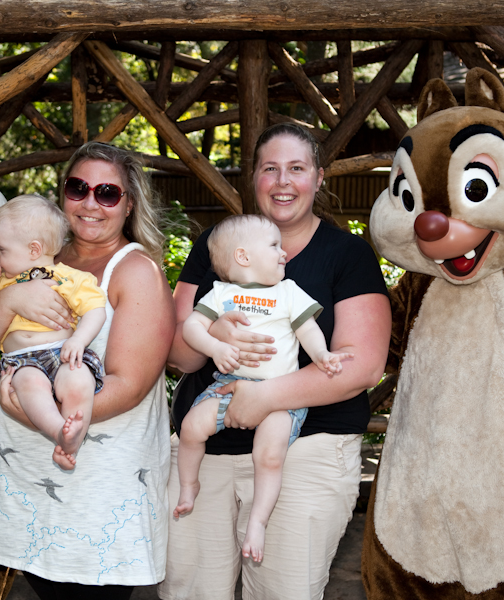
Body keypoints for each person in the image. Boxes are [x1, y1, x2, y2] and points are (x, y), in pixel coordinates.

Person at [160, 123, 391, 600]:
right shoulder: (216, 247)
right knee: (189, 592)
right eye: (270, 168)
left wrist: (262, 397)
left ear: (319, 178)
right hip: (207, 448)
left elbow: (364, 365)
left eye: (297, 169)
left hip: (305, 447)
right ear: (254, 178)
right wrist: (213, 334)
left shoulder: (347, 254)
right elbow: (180, 355)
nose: (283, 181)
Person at [0, 142, 175, 600]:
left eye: (107, 193)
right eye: (78, 188)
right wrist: (9, 299)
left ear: (129, 203)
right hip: (22, 476)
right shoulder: (29, 262)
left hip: (94, 488)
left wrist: (41, 418)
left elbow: (129, 387)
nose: (90, 203)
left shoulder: (136, 271)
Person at [175, 214, 352, 563]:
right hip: (227, 386)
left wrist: (322, 355)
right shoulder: (221, 293)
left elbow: (308, 331)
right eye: (273, 246)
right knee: (191, 428)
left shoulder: (288, 292)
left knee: (269, 456)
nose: (283, 252)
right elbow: (191, 328)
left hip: (279, 394)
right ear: (243, 257)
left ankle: (258, 521)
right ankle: (188, 485)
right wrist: (216, 347)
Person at [0, 194, 107, 470]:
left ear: (33, 250)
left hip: (64, 352)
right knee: (30, 385)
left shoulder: (70, 278)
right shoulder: (2, 284)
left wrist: (79, 340)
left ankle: (72, 441)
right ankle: (59, 433)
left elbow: (95, 310)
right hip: (24, 361)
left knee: (78, 381)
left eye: (1, 249)